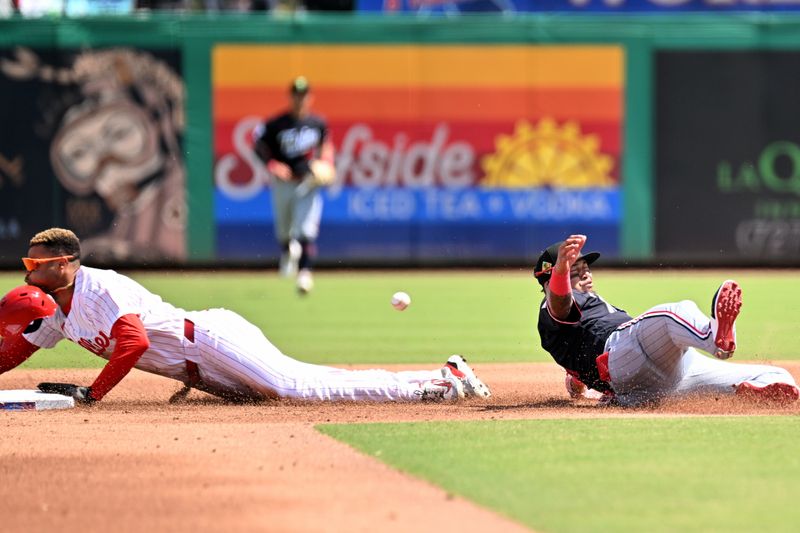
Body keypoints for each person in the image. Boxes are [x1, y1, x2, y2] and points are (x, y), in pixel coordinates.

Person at [0, 228, 492, 405]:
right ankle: (441, 378)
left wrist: (93, 392)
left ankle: (440, 382)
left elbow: (134, 344)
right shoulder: (55, 311)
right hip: (205, 370)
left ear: (63, 264)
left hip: (209, 339)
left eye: (34, 264)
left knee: (299, 388)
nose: (27, 271)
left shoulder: (99, 286)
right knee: (305, 382)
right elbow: (18, 347)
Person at [534, 234, 799, 407]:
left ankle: (758, 392)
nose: (587, 275)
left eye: (587, 269)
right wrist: (560, 273)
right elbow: (560, 302)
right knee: (673, 313)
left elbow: (577, 366)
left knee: (777, 376)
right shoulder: (553, 309)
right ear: (550, 278)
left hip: (655, 387)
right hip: (621, 356)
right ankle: (714, 337)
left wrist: (578, 383)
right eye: (576, 272)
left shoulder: (579, 321)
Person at [252, 76, 334, 294]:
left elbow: (326, 146)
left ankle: (305, 275)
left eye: (304, 94)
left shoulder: (317, 123)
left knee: (306, 229)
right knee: (284, 231)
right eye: (297, 94)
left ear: (310, 97)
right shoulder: (277, 124)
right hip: (283, 182)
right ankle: (288, 251)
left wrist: (326, 163)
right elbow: (258, 144)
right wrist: (272, 164)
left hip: (307, 181)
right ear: (291, 97)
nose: (301, 98)